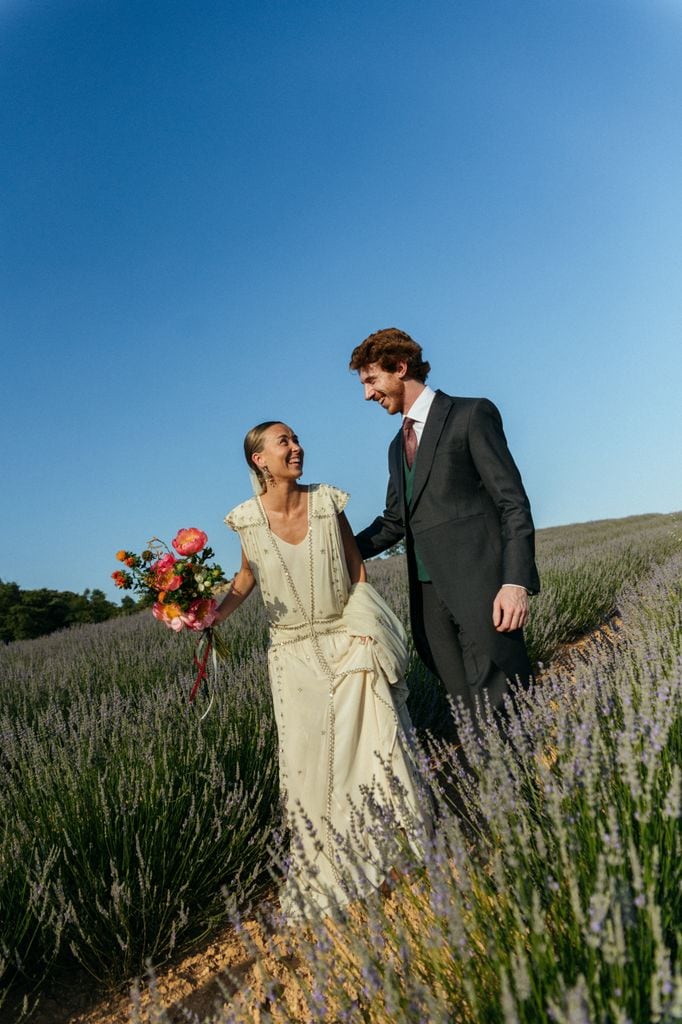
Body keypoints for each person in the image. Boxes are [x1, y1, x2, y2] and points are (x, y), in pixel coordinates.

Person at [214, 421, 425, 916]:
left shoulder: (328, 502)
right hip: (292, 660)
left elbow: (356, 568)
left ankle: (394, 854)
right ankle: (334, 868)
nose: (297, 447)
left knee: (373, 748)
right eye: (284, 442)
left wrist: (363, 629)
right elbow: (245, 578)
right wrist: (210, 616)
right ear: (259, 460)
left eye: (296, 439)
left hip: (347, 642)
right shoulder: (246, 520)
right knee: (311, 768)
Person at [349, 328, 540, 726]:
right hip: (429, 607)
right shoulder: (395, 447)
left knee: (503, 711)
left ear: (400, 367)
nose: (367, 395)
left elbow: (512, 504)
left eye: (371, 380)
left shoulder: (471, 415)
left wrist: (515, 583)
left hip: (484, 593)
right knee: (467, 718)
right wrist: (333, 547)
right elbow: (394, 522)